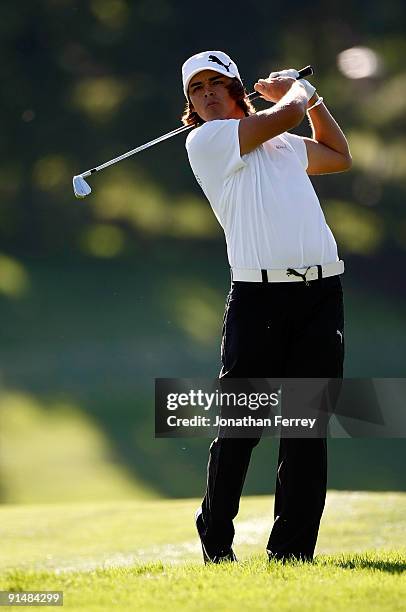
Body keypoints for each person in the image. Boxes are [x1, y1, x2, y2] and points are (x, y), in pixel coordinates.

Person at [181, 50, 352, 564]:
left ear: (236, 87)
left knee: (306, 429)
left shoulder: (278, 140)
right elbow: (288, 112)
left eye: (217, 82)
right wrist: (294, 94)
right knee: (240, 428)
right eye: (197, 88)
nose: (208, 93)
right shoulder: (206, 140)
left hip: (321, 296)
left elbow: (338, 156)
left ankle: (292, 554)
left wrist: (312, 99)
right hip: (259, 300)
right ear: (190, 103)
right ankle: (216, 541)